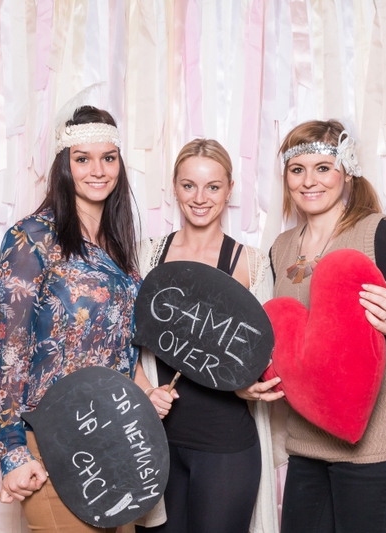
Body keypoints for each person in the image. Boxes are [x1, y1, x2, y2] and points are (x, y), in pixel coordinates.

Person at [270, 120, 386, 533]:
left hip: (372, 452)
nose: (309, 181)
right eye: (297, 169)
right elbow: (284, 340)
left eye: (323, 168)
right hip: (306, 446)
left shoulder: (376, 232)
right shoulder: (280, 248)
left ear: (346, 172)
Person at [0, 106, 140, 533]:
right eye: (82, 159)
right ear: (64, 165)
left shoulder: (118, 245)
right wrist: (13, 452)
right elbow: (12, 350)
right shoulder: (32, 237)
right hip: (51, 441)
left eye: (108, 158)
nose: (98, 170)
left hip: (113, 438)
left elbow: (124, 345)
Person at [133, 139, 282, 533]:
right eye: (189, 185)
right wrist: (145, 388)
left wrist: (250, 385)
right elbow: (120, 342)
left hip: (226, 447)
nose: (200, 198)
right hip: (156, 443)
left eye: (212, 187)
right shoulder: (146, 256)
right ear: (174, 187)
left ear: (229, 189)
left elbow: (267, 355)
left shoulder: (251, 263)